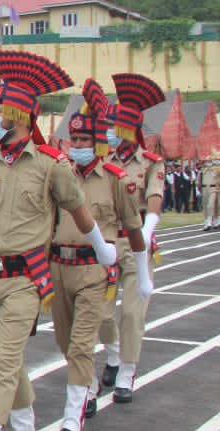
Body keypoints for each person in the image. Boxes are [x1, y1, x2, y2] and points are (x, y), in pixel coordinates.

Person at [0, 51, 102, 431]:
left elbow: (78, 209)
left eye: (0, 110)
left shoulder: (51, 165)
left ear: (20, 115)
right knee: (3, 357)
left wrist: (101, 247)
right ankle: (25, 419)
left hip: (24, 281)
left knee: (1, 364)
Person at [49, 79, 151, 430]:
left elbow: (133, 227)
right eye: (73, 139)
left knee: (80, 344)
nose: (77, 145)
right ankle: (87, 383)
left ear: (98, 144)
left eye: (84, 140)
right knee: (64, 341)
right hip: (59, 266)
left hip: (94, 269)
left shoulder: (116, 179)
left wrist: (144, 271)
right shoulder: (59, 174)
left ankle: (73, 414)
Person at [97, 72, 167, 405]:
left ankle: (126, 371)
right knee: (103, 313)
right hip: (109, 244)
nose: (108, 133)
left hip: (137, 244)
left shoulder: (151, 163)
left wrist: (144, 238)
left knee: (132, 314)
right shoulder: (104, 162)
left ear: (126, 129)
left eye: (113, 127)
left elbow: (154, 201)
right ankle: (112, 355)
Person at [204, 154, 220, 231]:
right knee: (205, 206)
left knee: (213, 205)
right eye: (207, 161)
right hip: (205, 188)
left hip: (214, 188)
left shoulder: (217, 169)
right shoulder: (203, 169)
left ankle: (211, 222)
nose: (208, 162)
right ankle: (207, 222)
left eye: (210, 161)